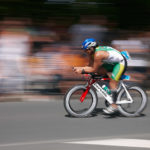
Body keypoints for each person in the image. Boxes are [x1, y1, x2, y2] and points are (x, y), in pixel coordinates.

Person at [73, 38, 127, 115]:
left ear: (92, 48)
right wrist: (81, 68)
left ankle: (114, 105)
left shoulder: (98, 55)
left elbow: (93, 68)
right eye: (84, 50)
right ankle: (112, 92)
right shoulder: (92, 53)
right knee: (98, 73)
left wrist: (82, 70)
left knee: (112, 82)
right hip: (112, 63)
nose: (85, 52)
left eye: (87, 50)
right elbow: (90, 66)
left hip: (120, 63)